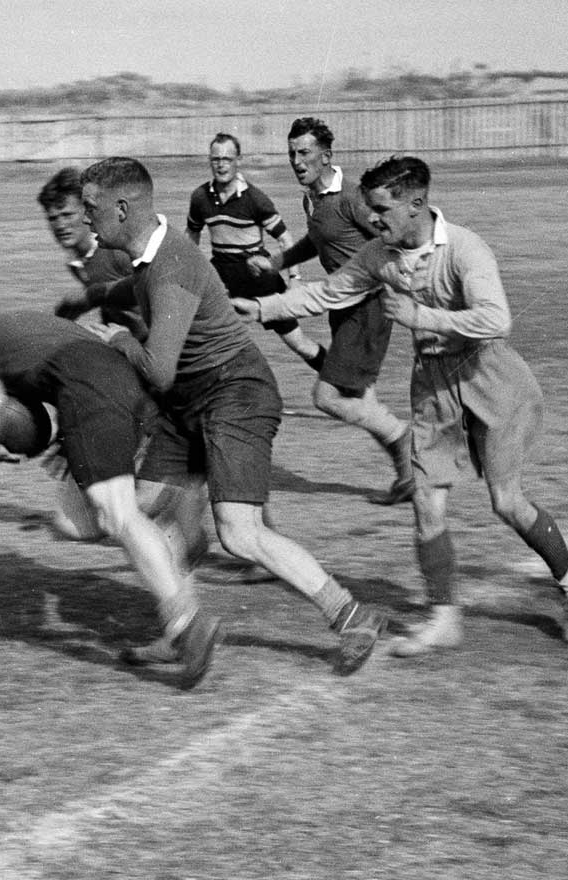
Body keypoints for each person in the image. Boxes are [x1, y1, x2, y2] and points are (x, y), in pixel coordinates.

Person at [238, 156, 568, 653]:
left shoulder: (466, 248)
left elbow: (498, 320)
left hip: (491, 377)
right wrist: (262, 308)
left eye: (382, 210)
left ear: (417, 203)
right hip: (432, 384)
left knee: (507, 503)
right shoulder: (378, 253)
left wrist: (420, 314)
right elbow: (327, 293)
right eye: (372, 211)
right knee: (427, 502)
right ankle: (444, 615)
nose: (375, 219)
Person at [61, 156, 387, 675]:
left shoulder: (171, 264)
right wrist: (90, 297)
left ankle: (350, 614)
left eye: (92, 209)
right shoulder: (153, 255)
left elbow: (159, 370)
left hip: (235, 392)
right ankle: (181, 629)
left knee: (239, 531)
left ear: (122, 209)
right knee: (136, 508)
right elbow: (136, 290)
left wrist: (119, 337)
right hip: (189, 402)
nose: (85, 219)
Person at [0, 308, 222, 689]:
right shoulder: (4, 329)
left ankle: (186, 623)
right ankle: (178, 617)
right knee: (76, 521)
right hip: (121, 386)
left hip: (89, 388)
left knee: (118, 514)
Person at [251, 117, 413, 505]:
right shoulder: (313, 199)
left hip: (368, 305)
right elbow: (318, 239)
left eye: (304, 152)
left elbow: (393, 237)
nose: (296, 160)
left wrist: (402, 282)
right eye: (292, 153)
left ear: (327, 156)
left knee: (327, 396)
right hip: (342, 307)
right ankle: (409, 475)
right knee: (363, 399)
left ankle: (406, 441)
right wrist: (279, 262)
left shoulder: (352, 197)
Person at [187, 134, 325, 370]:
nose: (221, 165)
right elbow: (192, 235)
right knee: (202, 338)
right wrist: (191, 273)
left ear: (238, 160)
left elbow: (285, 239)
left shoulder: (255, 199)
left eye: (227, 159)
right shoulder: (200, 198)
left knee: (299, 344)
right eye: (216, 159)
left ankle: (341, 384)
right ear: (210, 161)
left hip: (261, 281)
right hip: (223, 280)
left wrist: (294, 279)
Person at [44, 166, 145, 339]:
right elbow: (106, 303)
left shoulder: (118, 251)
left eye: (68, 215)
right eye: (53, 218)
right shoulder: (75, 261)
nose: (60, 225)